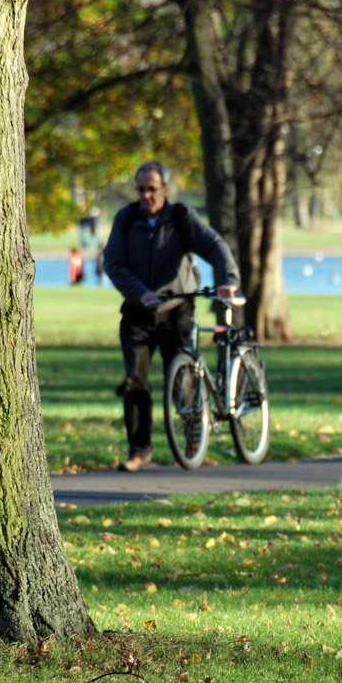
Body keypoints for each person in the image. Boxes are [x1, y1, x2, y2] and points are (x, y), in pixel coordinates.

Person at [103, 161, 240, 472]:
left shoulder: (181, 217)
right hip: (138, 313)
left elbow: (215, 245)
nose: (146, 195)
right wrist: (141, 293)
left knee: (183, 379)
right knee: (135, 381)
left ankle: (193, 439)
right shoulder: (125, 219)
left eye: (152, 189)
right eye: (140, 189)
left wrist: (228, 280)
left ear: (165, 190)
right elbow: (113, 264)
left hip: (177, 310)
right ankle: (139, 451)